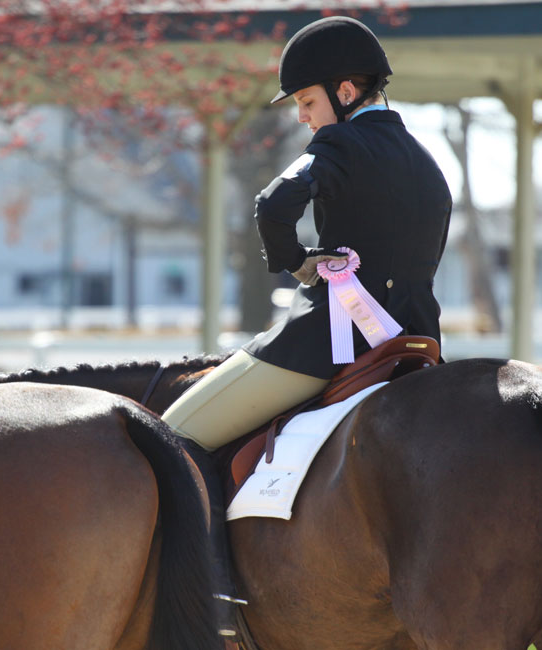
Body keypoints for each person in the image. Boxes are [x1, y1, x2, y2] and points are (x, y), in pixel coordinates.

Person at [161, 16, 452, 637]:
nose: (301, 117)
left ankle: (208, 601)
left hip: (323, 346)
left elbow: (273, 205)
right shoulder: (428, 161)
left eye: (307, 101)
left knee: (168, 441)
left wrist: (297, 264)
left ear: (346, 91)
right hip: (413, 351)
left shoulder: (340, 147)